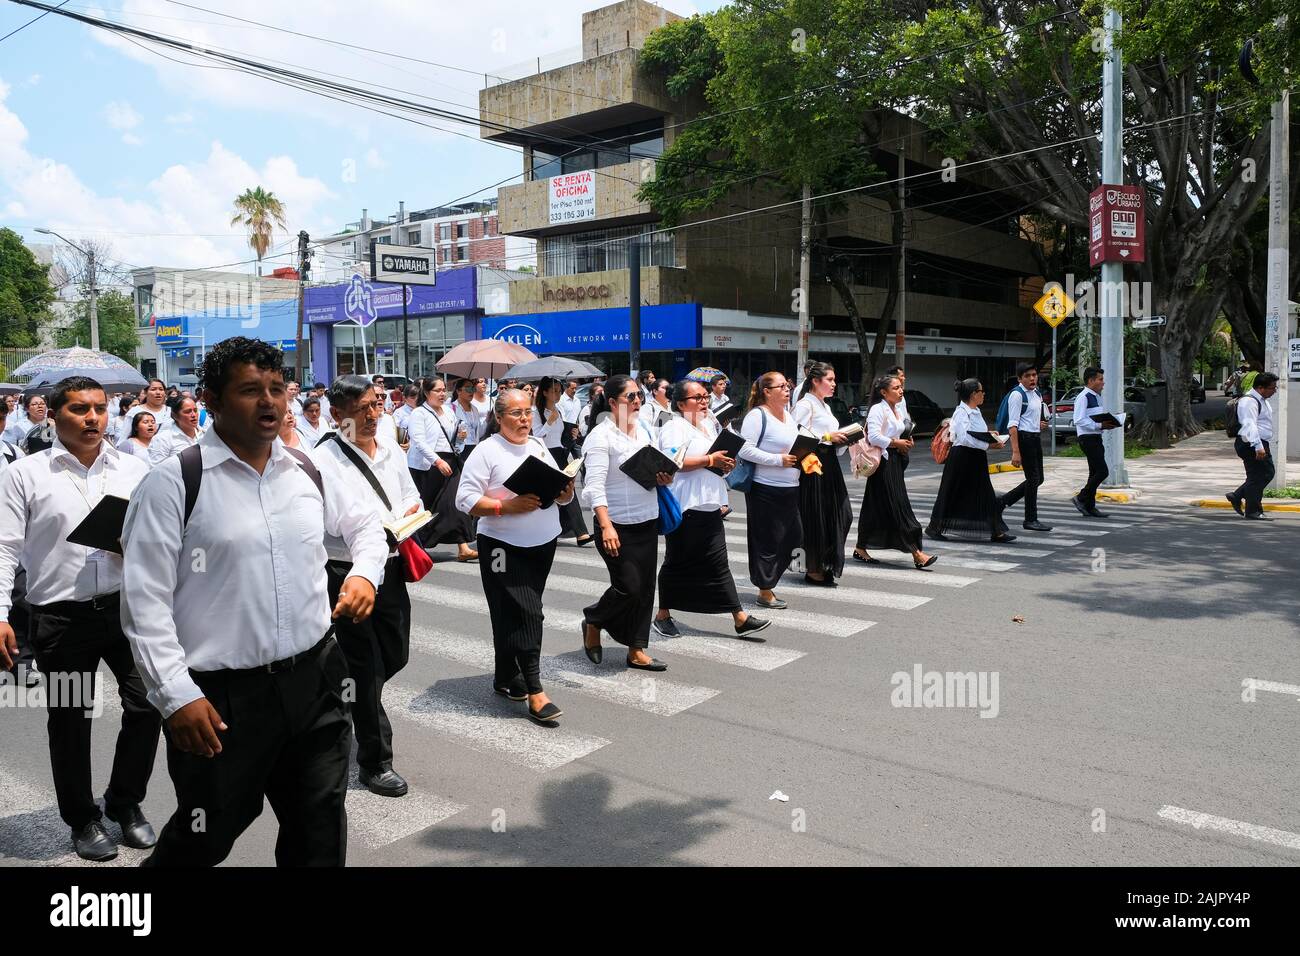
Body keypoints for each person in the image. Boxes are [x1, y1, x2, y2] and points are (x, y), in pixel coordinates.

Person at [120, 338, 387, 867]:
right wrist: (176, 695)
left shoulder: (306, 470)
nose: (269, 402)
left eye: (275, 389)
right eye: (249, 390)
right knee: (205, 835)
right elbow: (143, 605)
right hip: (221, 701)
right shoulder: (174, 484)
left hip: (315, 683)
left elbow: (366, 527)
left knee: (319, 828)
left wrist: (364, 575)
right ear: (213, 400)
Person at [0, 376, 161, 862]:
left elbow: (158, 533)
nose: (92, 418)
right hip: (60, 618)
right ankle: (82, 818)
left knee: (147, 704)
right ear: (53, 415)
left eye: (98, 408)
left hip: (123, 608)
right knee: (70, 720)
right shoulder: (25, 474)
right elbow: (5, 547)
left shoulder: (134, 468)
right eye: (78, 409)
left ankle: (124, 802)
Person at [314, 375, 422, 795]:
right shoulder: (325, 459)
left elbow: (410, 492)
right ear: (338, 415)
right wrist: (379, 529)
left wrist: (410, 512)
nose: (375, 415)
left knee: (394, 654)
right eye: (364, 409)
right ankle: (375, 761)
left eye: (378, 405)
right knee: (365, 666)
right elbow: (337, 522)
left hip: (391, 567)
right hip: (348, 574)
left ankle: (347, 695)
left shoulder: (391, 445)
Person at [456, 388, 573, 724]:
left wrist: (565, 492)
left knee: (512, 611)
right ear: (499, 417)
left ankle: (505, 676)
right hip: (502, 548)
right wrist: (505, 506)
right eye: (516, 414)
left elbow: (555, 493)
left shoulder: (537, 446)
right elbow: (464, 500)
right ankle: (536, 691)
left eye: (527, 414)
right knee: (529, 613)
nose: (524, 420)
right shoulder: (486, 451)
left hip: (542, 542)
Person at [653, 379, 770, 638]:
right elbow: (673, 462)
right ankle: (662, 615)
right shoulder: (674, 427)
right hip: (686, 505)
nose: (705, 402)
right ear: (682, 404)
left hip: (710, 501)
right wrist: (710, 459)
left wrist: (723, 463)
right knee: (677, 561)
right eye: (698, 398)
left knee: (718, 563)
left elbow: (715, 457)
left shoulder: (708, 424)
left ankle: (739, 617)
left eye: (706, 397)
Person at [579, 375, 671, 672]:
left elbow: (655, 467)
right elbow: (593, 486)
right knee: (628, 587)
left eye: (639, 396)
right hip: (615, 523)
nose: (637, 402)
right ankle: (594, 619)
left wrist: (664, 476)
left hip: (647, 518)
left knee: (645, 589)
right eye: (630, 397)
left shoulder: (643, 430)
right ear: (612, 401)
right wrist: (605, 525)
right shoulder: (600, 436)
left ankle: (637, 649)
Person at [853, 374, 937, 569]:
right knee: (898, 506)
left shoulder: (897, 408)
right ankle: (917, 553)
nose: (901, 391)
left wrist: (906, 439)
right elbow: (873, 437)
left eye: (901, 387)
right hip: (883, 464)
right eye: (896, 388)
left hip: (896, 461)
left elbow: (900, 429)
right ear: (884, 392)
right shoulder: (877, 409)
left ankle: (860, 546)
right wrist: (895, 442)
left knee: (873, 506)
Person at [738, 371, 803, 608]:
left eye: (788, 385)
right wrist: (778, 460)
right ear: (767, 391)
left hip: (791, 486)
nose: (787, 389)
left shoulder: (787, 414)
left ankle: (770, 580)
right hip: (764, 488)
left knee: (795, 536)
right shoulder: (757, 416)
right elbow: (745, 450)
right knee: (766, 540)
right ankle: (764, 590)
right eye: (782, 386)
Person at [927, 379, 1016, 543]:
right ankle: (934, 527)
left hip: (975, 458)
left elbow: (975, 432)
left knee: (986, 493)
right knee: (951, 492)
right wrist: (989, 444)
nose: (984, 394)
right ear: (974, 394)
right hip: (962, 457)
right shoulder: (962, 412)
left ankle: (996, 531)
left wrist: (991, 435)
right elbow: (964, 437)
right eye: (981, 392)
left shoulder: (974, 411)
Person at [793, 362, 855, 585]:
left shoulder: (824, 406)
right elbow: (796, 436)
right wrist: (828, 438)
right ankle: (812, 567)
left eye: (834, 380)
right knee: (816, 516)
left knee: (841, 514)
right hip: (813, 464)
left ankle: (823, 560)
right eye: (830, 380)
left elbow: (830, 437)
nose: (834, 384)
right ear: (815, 381)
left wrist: (844, 439)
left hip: (830, 464)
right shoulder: (804, 405)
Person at [408, 376, 477, 561]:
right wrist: (437, 461)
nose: (442, 394)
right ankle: (417, 546)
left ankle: (463, 546)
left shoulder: (448, 411)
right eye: (437, 390)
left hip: (450, 460)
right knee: (427, 506)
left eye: (443, 389)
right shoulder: (419, 413)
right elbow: (419, 442)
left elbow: (455, 437)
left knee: (456, 502)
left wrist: (461, 437)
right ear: (426, 392)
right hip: (427, 465)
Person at [532, 377, 592, 546]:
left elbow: (560, 437)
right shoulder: (536, 412)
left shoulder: (558, 410)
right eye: (554, 391)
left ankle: (580, 533)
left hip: (560, 454)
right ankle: (576, 532)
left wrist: (572, 434)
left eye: (559, 390)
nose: (558, 394)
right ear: (544, 392)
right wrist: (549, 422)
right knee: (551, 494)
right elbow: (536, 436)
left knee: (568, 490)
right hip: (545, 455)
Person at [998, 363, 1052, 532]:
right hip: (1024, 439)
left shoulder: (1036, 393)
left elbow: (1031, 417)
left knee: (1038, 479)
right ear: (1020, 378)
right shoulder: (1017, 395)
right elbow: (1012, 425)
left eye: (1034, 375)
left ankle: (1001, 502)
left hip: (1035, 438)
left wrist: (1040, 424)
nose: (1032, 378)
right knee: (1033, 479)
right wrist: (1015, 452)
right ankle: (1030, 519)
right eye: (1027, 376)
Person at [1227, 371, 1279, 521]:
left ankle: (1238, 496)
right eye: (1272, 388)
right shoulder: (1249, 401)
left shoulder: (1261, 399)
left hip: (1258, 442)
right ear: (1261, 387)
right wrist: (1258, 446)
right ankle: (1252, 510)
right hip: (1251, 443)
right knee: (1261, 475)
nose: (1274, 391)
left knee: (1261, 474)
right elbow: (1249, 425)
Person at [1071, 366, 1120, 518]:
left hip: (1096, 437)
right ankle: (1080, 497)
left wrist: (1109, 423)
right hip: (1087, 438)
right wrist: (1099, 425)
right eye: (1100, 379)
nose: (1103, 383)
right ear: (1091, 380)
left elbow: (1095, 417)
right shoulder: (1083, 396)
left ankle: (1089, 506)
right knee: (1102, 471)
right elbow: (1078, 419)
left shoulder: (1097, 397)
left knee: (1094, 472)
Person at [148, 395, 204, 464]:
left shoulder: (204, 434)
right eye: (188, 411)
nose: (193, 415)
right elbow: (157, 470)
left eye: (195, 410)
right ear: (175, 416)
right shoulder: (163, 439)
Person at [118, 378, 170, 444]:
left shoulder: (171, 411)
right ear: (145, 392)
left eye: (161, 389)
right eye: (153, 389)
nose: (158, 392)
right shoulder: (135, 411)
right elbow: (124, 437)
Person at [452, 377, 487, 459]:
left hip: (474, 448)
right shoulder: (451, 408)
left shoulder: (475, 409)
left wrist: (487, 421)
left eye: (473, 389)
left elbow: (479, 432)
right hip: (458, 449)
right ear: (458, 391)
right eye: (468, 388)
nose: (471, 392)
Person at [558, 379, 583, 456]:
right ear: (566, 388)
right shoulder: (560, 400)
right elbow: (562, 417)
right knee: (564, 458)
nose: (574, 390)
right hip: (565, 434)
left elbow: (579, 416)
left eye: (576, 388)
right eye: (572, 388)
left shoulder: (577, 401)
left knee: (580, 458)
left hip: (576, 433)